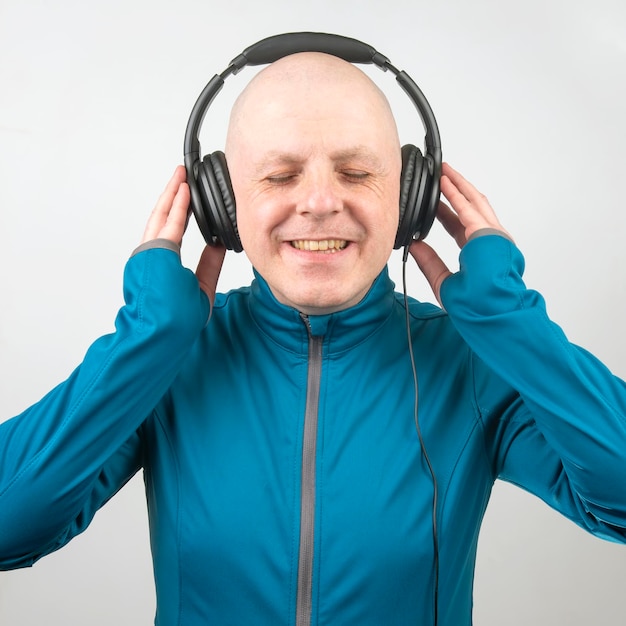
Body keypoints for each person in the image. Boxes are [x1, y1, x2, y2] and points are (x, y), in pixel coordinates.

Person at [1, 51, 625, 626]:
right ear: (222, 203)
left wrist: (512, 323)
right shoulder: (166, 363)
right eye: (279, 176)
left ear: (409, 197)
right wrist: (145, 341)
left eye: (356, 172)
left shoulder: (474, 360)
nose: (321, 202)